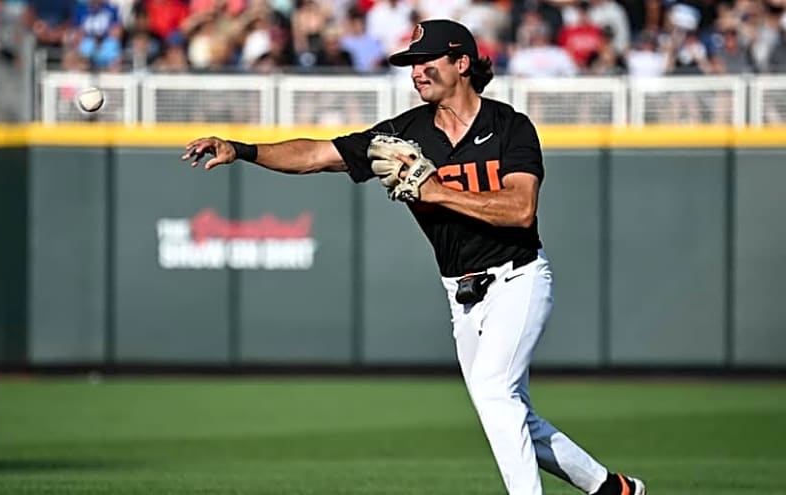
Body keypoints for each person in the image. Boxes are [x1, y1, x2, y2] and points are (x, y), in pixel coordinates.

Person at [180, 19, 646, 495]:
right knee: (509, 411)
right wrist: (241, 148)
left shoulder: (509, 126)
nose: (416, 72)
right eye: (411, 64)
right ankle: (614, 490)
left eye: (427, 61)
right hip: (461, 294)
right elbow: (318, 155)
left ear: (462, 63)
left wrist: (434, 191)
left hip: (518, 277)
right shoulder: (405, 135)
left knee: (492, 393)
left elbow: (521, 210)